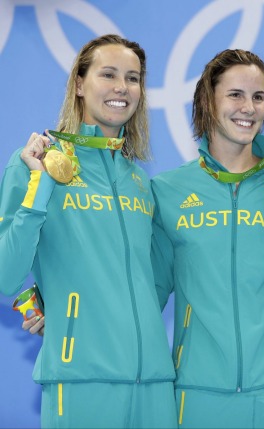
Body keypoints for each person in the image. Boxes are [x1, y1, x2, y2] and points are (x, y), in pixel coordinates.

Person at [0, 35, 177, 428]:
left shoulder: (138, 180)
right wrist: (39, 186)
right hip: (80, 378)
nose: (122, 88)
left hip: (153, 381)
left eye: (133, 78)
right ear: (79, 84)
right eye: (108, 74)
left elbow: (140, 283)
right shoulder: (36, 162)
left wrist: (55, 301)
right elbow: (7, 275)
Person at [150, 49, 264, 428]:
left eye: (258, 96)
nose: (248, 107)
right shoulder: (168, 190)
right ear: (207, 100)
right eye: (235, 95)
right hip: (201, 395)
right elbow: (147, 291)